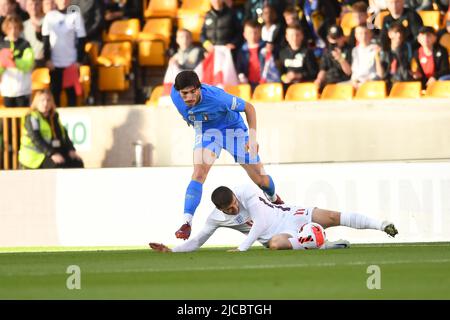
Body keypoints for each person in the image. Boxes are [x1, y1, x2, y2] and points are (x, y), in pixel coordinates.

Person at [170, 70, 283, 241]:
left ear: (199, 89)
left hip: (233, 130)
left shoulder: (218, 98)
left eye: (193, 91)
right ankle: (187, 222)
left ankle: (274, 199)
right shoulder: (174, 95)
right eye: (185, 93)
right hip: (207, 131)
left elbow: (249, 108)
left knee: (261, 180)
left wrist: (252, 137)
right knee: (199, 173)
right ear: (179, 92)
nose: (189, 97)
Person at [149, 184, 398, 253]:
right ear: (221, 210)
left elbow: (261, 222)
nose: (235, 209)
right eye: (231, 209)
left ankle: (381, 225)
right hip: (279, 236)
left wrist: (243, 247)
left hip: (289, 214)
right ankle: (322, 243)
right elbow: (198, 240)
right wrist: (173, 250)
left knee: (333, 215)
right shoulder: (216, 218)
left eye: (235, 203)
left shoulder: (246, 192)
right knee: (276, 245)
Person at [18, 89, 84, 169]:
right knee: (58, 165)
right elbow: (36, 139)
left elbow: (63, 134)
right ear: (36, 102)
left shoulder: (53, 116)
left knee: (77, 162)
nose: (45, 103)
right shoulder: (32, 117)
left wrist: (70, 149)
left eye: (48, 100)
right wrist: (52, 153)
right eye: (42, 100)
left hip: (50, 151)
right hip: (34, 156)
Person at [42, 0, 86, 107]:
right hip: (55, 65)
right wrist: (47, 59)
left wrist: (79, 60)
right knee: (55, 95)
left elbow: (81, 38)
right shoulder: (49, 16)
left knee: (71, 96)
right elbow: (46, 40)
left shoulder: (75, 15)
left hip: (70, 64)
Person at [0, 14, 34, 107]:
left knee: (23, 118)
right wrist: (3, 63)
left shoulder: (25, 44)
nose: (13, 31)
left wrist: (13, 60)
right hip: (7, 90)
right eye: (10, 28)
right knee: (9, 119)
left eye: (16, 28)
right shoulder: (2, 45)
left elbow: (28, 64)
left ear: (20, 29)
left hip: (22, 89)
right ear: (6, 29)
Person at [314, 25, 352, 91]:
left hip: (344, 82)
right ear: (328, 38)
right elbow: (323, 69)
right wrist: (319, 79)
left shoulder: (350, 50)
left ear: (343, 37)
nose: (335, 41)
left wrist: (340, 59)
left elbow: (349, 72)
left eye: (338, 38)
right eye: (332, 38)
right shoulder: (327, 51)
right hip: (329, 82)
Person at [23, 0, 45, 68]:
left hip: (44, 64)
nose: (33, 7)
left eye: (36, 4)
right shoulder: (21, 26)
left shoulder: (48, 22)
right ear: (26, 7)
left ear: (41, 5)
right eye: (30, 5)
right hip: (27, 65)